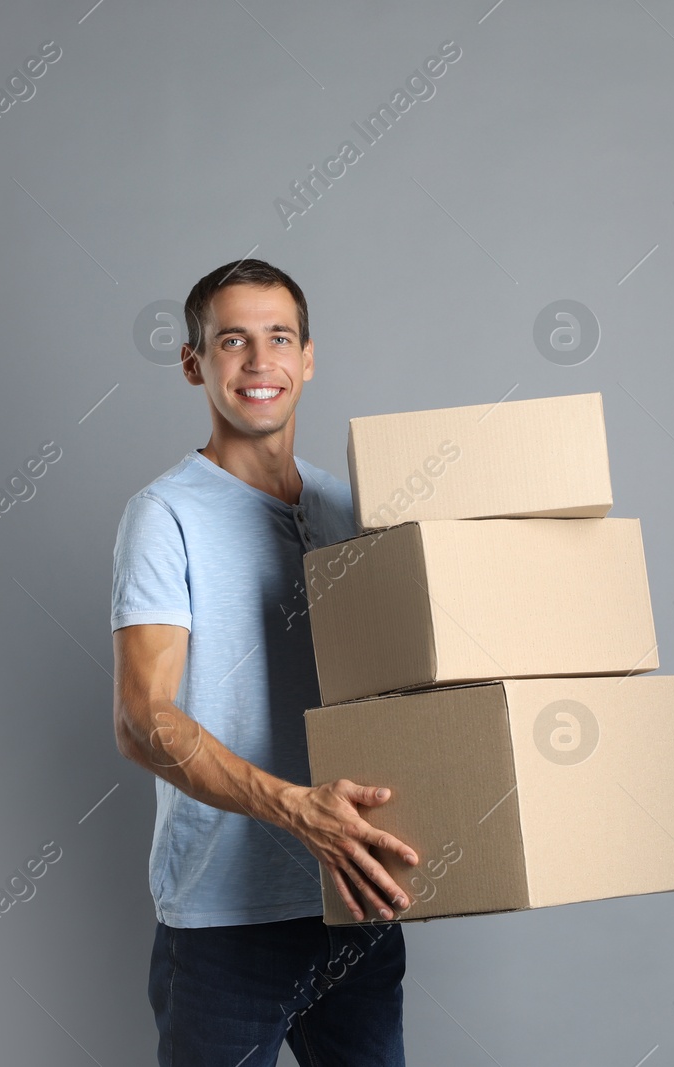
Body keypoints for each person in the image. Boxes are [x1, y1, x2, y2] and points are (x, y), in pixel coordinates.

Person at [110, 259, 417, 1066]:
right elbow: (144, 721)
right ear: (193, 362)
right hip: (225, 921)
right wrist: (295, 809)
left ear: (308, 357)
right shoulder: (164, 515)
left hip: (355, 903)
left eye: (278, 338)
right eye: (232, 341)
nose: (258, 362)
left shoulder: (350, 510)